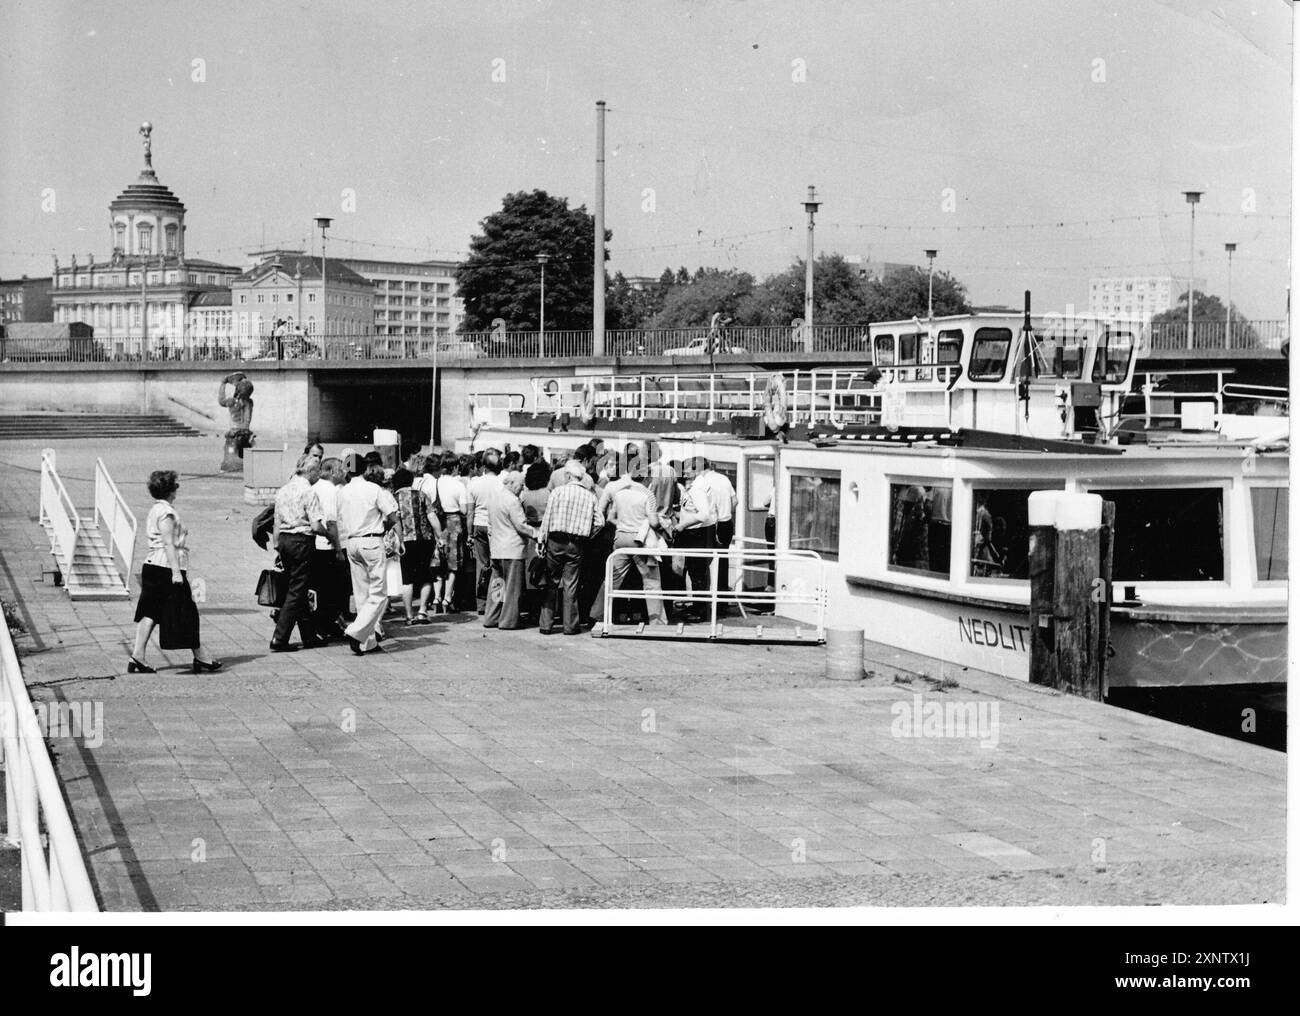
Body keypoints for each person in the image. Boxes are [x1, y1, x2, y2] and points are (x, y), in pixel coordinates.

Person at [128, 469, 221, 673]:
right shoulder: (166, 512)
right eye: (175, 486)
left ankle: (138, 655)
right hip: (165, 566)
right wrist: (176, 572)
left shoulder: (156, 509)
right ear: (171, 490)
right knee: (187, 611)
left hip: (154, 565)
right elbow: (169, 543)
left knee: (150, 611)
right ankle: (201, 656)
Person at [337, 461, 399, 654]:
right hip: (372, 540)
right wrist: (386, 526)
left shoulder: (343, 491)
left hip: (351, 542)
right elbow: (392, 515)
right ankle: (356, 631)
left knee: (361, 593)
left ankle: (368, 641)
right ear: (364, 469)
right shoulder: (374, 489)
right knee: (379, 593)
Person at [270, 454, 329, 652]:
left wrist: (277, 545)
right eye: (318, 471)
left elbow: (276, 522)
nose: (319, 475)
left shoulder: (283, 490)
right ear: (311, 471)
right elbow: (315, 524)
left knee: (298, 587)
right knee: (297, 591)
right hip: (302, 541)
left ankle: (309, 636)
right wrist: (328, 534)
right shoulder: (308, 491)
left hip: (285, 540)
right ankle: (279, 637)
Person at [538, 459, 603, 635]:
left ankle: (546, 624)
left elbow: (547, 518)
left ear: (567, 475)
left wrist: (541, 540)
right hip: (576, 543)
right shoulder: (590, 495)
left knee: (551, 582)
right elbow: (600, 522)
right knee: (571, 584)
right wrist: (587, 534)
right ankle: (570, 625)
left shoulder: (557, 492)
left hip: (555, 540)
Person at [604, 454, 668, 625]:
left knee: (613, 578)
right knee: (651, 581)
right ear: (646, 477)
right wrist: (663, 529)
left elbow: (610, 518)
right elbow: (654, 522)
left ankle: (597, 615)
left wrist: (623, 525)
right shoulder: (648, 494)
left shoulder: (621, 492)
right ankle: (657, 621)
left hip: (621, 538)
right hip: (640, 541)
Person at [483, 472, 538, 630]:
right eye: (520, 486)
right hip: (512, 549)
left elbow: (490, 526)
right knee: (513, 588)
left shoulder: (494, 498)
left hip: (496, 548)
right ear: (512, 483)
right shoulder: (513, 501)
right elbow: (520, 525)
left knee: (497, 585)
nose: (521, 490)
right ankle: (508, 621)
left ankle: (491, 617)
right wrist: (537, 534)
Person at [392, 467, 443, 624]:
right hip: (425, 539)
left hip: (404, 541)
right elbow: (432, 516)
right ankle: (422, 611)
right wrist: (439, 536)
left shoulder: (393, 498)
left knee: (407, 579)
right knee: (425, 576)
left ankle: (408, 615)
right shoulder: (421, 495)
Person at [687, 458, 738, 602]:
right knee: (722, 562)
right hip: (727, 523)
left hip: (713, 526)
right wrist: (726, 512)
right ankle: (721, 600)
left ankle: (703, 603)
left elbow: (708, 509)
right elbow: (735, 501)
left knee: (702, 564)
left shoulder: (703, 482)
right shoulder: (724, 478)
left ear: (698, 469)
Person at [310, 456, 348, 638]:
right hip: (327, 545)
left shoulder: (314, 486)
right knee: (331, 589)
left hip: (312, 543)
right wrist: (339, 549)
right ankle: (325, 626)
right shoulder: (331, 491)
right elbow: (332, 523)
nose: (344, 472)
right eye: (341, 469)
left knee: (318, 587)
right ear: (333, 472)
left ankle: (320, 625)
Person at [463, 448, 503, 614]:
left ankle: (481, 604)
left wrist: (469, 533)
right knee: (497, 566)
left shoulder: (474, 483)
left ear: (483, 465)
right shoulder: (503, 482)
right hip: (497, 525)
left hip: (479, 524)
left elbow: (470, 512)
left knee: (482, 565)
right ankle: (497, 602)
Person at [436, 451, 468, 613]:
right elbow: (464, 509)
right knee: (453, 563)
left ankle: (436, 597)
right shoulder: (459, 485)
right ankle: (448, 598)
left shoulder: (437, 483)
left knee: (438, 561)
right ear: (455, 467)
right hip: (454, 521)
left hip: (438, 522)